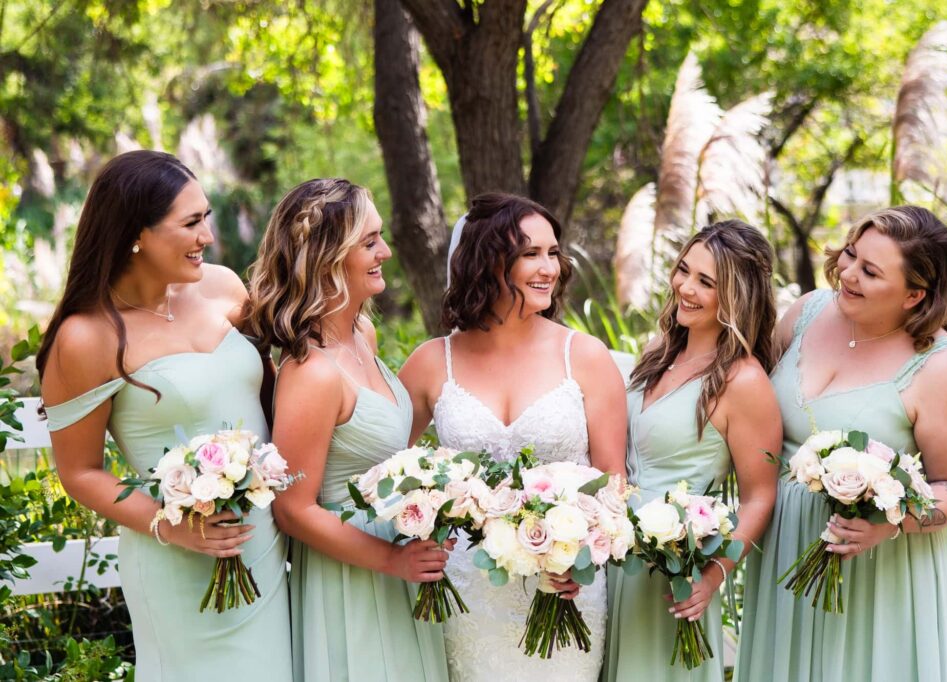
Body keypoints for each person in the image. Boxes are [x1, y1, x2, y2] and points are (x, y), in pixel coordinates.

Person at [37, 150, 293, 681]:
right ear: (137, 233)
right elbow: (80, 472)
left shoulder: (222, 288)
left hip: (265, 546)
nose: (208, 236)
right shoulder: (87, 336)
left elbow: (275, 395)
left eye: (207, 217)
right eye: (191, 222)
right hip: (178, 560)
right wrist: (173, 528)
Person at [735, 206, 947, 682]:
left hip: (880, 570)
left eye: (870, 271)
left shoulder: (941, 368)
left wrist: (892, 522)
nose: (847, 273)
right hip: (787, 550)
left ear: (915, 294)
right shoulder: (807, 312)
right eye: (851, 254)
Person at [399, 193, 628, 681]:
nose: (549, 267)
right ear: (488, 260)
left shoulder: (585, 357)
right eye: (530, 254)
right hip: (465, 591)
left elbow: (613, 483)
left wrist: (580, 558)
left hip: (562, 588)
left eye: (552, 253)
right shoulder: (430, 361)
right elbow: (388, 468)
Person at [248, 178, 449, 682]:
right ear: (327, 256)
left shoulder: (363, 333)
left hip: (398, 557)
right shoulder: (312, 372)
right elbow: (294, 510)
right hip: (350, 575)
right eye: (368, 242)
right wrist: (391, 561)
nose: (384, 251)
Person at [602, 220, 782, 681]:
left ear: (737, 296)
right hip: (610, 558)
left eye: (707, 282)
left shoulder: (743, 382)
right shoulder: (657, 351)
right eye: (684, 271)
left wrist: (713, 575)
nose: (685, 287)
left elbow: (758, 496)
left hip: (673, 575)